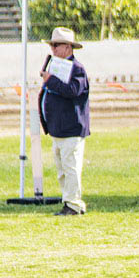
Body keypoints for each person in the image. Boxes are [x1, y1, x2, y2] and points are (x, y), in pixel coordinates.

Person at [38, 27, 90, 216]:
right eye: (52, 45)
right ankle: (71, 201)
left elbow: (72, 91)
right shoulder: (57, 65)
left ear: (68, 47)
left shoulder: (77, 69)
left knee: (71, 168)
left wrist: (50, 81)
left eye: (56, 45)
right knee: (62, 170)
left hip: (71, 128)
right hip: (59, 128)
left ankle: (73, 204)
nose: (53, 49)